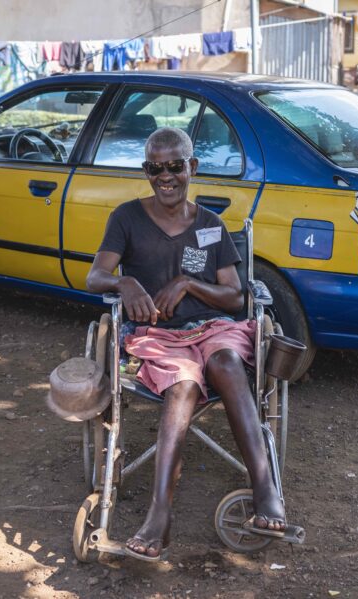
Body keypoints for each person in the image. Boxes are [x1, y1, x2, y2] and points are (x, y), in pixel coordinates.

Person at [86, 127, 293, 562]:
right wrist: (126, 282)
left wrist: (186, 284)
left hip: (215, 328)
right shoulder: (126, 218)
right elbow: (95, 275)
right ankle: (159, 516)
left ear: (191, 167)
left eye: (175, 166)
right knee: (183, 385)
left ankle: (266, 491)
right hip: (160, 337)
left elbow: (236, 296)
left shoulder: (210, 226)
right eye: (155, 167)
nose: (166, 176)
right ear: (146, 172)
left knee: (227, 363)